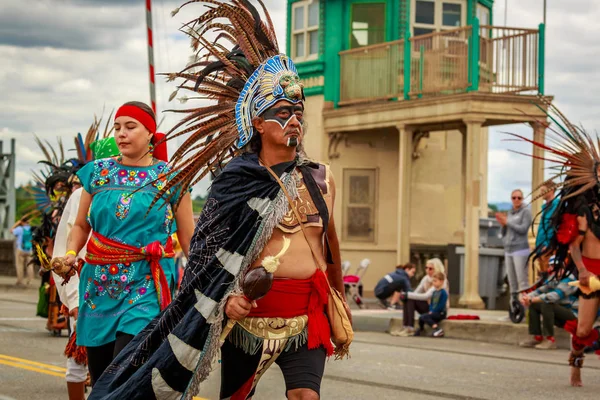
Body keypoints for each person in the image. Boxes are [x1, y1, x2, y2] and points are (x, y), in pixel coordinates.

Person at [88, 2, 351, 399]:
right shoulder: (234, 182)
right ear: (258, 123)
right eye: (282, 112)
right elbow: (205, 256)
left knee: (305, 396)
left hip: (306, 314)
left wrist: (339, 301)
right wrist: (225, 300)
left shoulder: (321, 178)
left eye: (298, 111)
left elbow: (330, 246)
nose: (294, 119)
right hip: (247, 319)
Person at [56, 101, 194, 387]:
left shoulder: (171, 178)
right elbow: (81, 226)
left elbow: (188, 237)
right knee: (101, 375)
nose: (121, 134)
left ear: (150, 135)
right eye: (118, 127)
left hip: (145, 283)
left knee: (125, 370)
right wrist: (70, 253)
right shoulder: (97, 173)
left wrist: (203, 281)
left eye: (130, 127)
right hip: (99, 284)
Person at [508, 103, 600, 386]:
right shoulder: (585, 207)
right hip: (591, 272)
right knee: (583, 328)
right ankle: (576, 361)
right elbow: (573, 245)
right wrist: (582, 270)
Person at [518, 270, 578, 350]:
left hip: (574, 315)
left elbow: (555, 296)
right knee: (535, 305)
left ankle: (550, 340)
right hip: (559, 313)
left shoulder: (569, 280)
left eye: (554, 266)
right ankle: (537, 337)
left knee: (546, 303)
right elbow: (540, 290)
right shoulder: (554, 278)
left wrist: (532, 299)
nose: (551, 268)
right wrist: (527, 298)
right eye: (550, 265)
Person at [496, 189, 532, 316]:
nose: (516, 200)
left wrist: (508, 222)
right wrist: (503, 224)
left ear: (522, 199)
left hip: (520, 249)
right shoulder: (510, 212)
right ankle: (513, 310)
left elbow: (523, 229)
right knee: (512, 282)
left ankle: (526, 311)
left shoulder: (526, 212)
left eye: (519, 198)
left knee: (522, 281)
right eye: (514, 198)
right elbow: (506, 230)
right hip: (508, 249)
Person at [393, 258, 449, 337]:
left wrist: (408, 295)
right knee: (409, 299)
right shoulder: (426, 278)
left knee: (409, 297)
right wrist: (406, 295)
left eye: (430, 268)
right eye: (426, 268)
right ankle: (407, 327)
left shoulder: (441, 280)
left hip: (437, 309)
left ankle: (410, 328)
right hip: (429, 307)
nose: (427, 270)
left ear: (437, 268)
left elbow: (426, 296)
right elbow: (416, 292)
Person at [534, 181, 559, 272]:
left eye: (543, 190)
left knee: (549, 276)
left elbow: (554, 227)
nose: (541, 193)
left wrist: (548, 244)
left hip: (548, 248)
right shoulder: (545, 207)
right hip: (541, 247)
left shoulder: (557, 206)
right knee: (543, 276)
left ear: (551, 190)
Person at [415, 271, 448, 337]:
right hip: (433, 312)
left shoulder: (443, 292)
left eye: (435, 281)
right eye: (433, 281)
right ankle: (421, 329)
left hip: (440, 313)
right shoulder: (434, 292)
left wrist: (433, 311)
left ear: (441, 281)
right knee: (421, 317)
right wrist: (430, 310)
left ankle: (438, 329)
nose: (434, 283)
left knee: (425, 316)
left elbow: (441, 305)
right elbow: (431, 303)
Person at [11, 216, 33, 287]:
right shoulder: (31, 229)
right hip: (29, 249)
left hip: (20, 249)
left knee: (19, 265)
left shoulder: (20, 229)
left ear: (22, 222)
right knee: (30, 265)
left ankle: (20, 280)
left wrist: (17, 223)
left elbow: (11, 230)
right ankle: (29, 280)